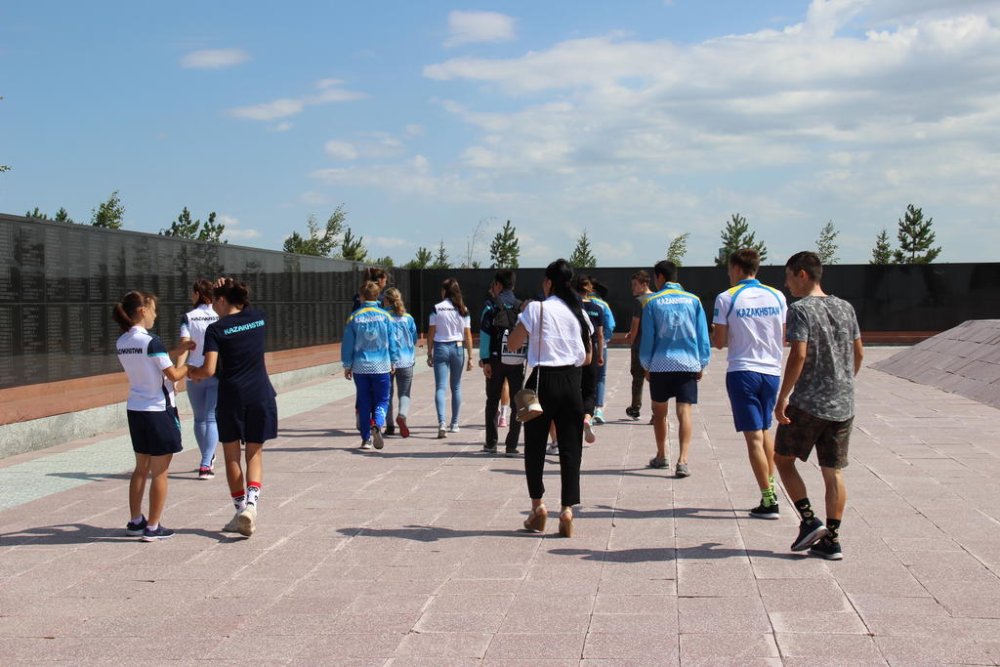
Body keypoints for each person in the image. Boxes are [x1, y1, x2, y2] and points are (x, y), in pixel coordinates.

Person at [774, 251, 864, 560]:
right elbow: (859, 352)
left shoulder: (800, 309)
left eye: (788, 277)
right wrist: (844, 382)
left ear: (802, 274)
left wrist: (783, 396)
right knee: (832, 470)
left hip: (809, 403)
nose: (787, 284)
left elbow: (799, 354)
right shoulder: (846, 307)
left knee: (783, 459)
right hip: (843, 404)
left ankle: (809, 520)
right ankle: (832, 540)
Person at [507, 259, 593, 538]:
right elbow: (588, 356)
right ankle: (567, 510)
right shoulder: (579, 311)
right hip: (572, 381)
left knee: (534, 446)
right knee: (570, 448)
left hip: (542, 381)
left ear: (548, 282)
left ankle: (538, 507)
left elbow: (513, 344)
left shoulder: (536, 308)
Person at [188, 279, 278, 538]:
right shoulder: (258, 318)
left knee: (231, 457)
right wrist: (230, 283)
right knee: (254, 454)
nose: (213, 308)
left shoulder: (216, 329)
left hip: (231, 397)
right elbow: (245, 303)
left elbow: (208, 369)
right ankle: (252, 505)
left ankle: (240, 511)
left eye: (215, 302)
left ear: (221, 300)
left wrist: (191, 372)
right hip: (260, 395)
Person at [113, 291, 194, 542]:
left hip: (136, 409)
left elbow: (151, 360)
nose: (155, 315)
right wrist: (190, 364)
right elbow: (173, 374)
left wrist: (177, 349)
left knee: (141, 468)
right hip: (159, 410)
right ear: (142, 311)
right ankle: (153, 526)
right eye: (153, 310)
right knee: (160, 471)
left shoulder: (122, 341)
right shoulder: (151, 341)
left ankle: (136, 521)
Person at [713, 249, 788, 519]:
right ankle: (771, 487)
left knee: (753, 437)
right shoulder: (778, 295)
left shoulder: (726, 297)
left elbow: (719, 342)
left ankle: (768, 500)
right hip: (772, 371)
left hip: (743, 371)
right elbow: (782, 335)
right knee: (765, 430)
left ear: (736, 268)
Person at [639, 260, 711, 477]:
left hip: (660, 364)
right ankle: (683, 460)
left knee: (659, 413)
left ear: (660, 277)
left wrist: (646, 365)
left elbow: (648, 338)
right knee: (684, 411)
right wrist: (702, 362)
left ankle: (661, 455)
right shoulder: (694, 300)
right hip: (687, 363)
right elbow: (702, 335)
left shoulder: (652, 302)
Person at [343, 281, 400, 450]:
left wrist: (347, 364)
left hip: (360, 367)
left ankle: (366, 439)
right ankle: (378, 423)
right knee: (382, 400)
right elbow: (392, 341)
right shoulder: (386, 316)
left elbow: (348, 344)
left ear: (361, 296)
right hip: (381, 365)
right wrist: (394, 361)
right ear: (377, 296)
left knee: (364, 401)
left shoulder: (354, 317)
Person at [479, 269, 526, 456]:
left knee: (492, 401)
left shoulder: (490, 305)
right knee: (517, 403)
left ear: (498, 284)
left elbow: (485, 334)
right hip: (516, 360)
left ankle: (491, 443)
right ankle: (512, 445)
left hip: (496, 359)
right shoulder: (520, 306)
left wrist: (485, 360)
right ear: (513, 285)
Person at [177, 279, 220, 480]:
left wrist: (178, 374)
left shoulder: (188, 317)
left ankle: (207, 458)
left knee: (199, 418)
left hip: (194, 372)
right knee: (211, 418)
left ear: (197, 294)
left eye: (192, 292)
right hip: (216, 370)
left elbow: (184, 346)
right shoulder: (220, 316)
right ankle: (206, 463)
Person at [427, 278, 473, 438]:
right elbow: (468, 335)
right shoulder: (463, 309)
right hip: (458, 348)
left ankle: (442, 423)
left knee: (440, 387)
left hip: (440, 347)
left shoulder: (436, 308)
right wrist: (470, 357)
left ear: (445, 291)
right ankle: (455, 423)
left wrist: (429, 352)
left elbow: (431, 332)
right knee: (456, 387)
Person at [382, 287, 417, 438]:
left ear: (387, 300)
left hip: (387, 361)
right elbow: (414, 339)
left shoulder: (383, 317)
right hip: (406, 360)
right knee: (405, 393)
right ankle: (402, 415)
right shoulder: (408, 318)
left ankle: (389, 426)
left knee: (387, 395)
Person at [574, 275, 604, 444]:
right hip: (590, 352)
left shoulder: (572, 307)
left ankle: (575, 420)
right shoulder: (597, 308)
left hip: (574, 354)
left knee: (575, 388)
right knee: (589, 390)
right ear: (589, 289)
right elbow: (599, 335)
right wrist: (600, 355)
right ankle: (587, 417)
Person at [624, 270, 653, 420]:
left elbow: (635, 324)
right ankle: (657, 412)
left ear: (644, 284)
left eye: (635, 284)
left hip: (640, 346)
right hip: (655, 346)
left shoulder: (639, 301)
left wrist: (631, 339)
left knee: (637, 377)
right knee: (655, 380)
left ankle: (635, 407)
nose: (632, 288)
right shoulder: (658, 298)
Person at [588, 279, 616, 424]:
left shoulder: (579, 303)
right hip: (600, 345)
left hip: (583, 345)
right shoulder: (603, 305)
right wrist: (605, 339)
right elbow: (610, 325)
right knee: (600, 377)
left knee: (584, 377)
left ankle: (586, 411)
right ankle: (598, 409)